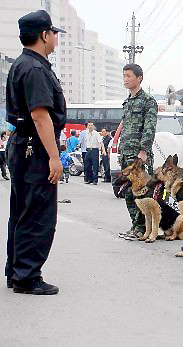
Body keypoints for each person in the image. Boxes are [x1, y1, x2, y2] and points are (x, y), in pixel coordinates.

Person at [5, 9, 66, 295]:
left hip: (22, 145)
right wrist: (54, 157)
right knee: (38, 214)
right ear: (44, 35)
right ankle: (27, 276)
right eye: (54, 33)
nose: (56, 38)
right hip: (35, 149)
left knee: (21, 211)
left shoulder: (22, 64)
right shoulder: (36, 69)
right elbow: (41, 115)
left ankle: (16, 271)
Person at [118, 63, 158, 241]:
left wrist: (143, 151)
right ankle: (135, 225)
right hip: (126, 154)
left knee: (142, 193)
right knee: (127, 192)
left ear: (139, 78)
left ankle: (142, 227)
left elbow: (149, 128)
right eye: (124, 76)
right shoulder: (127, 102)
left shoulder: (148, 101)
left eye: (129, 76)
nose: (126, 79)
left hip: (138, 156)